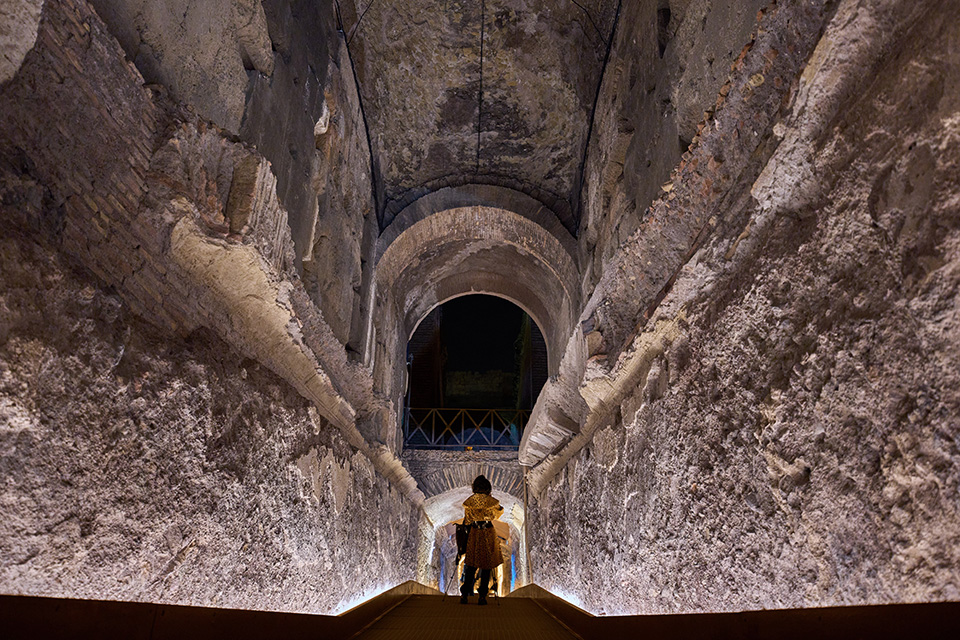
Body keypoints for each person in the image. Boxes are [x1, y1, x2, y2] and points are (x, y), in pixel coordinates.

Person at [460, 474, 503, 605]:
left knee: (471, 564)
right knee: (487, 565)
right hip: (488, 532)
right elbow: (497, 514)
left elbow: (467, 520)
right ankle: (482, 596)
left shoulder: (469, 502)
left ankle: (465, 594)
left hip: (474, 533)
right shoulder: (492, 501)